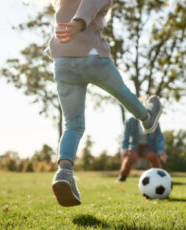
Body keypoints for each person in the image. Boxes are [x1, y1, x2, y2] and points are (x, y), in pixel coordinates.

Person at [47, 0, 162, 207]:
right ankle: (146, 118)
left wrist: (57, 49)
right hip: (93, 57)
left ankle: (63, 172)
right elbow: (89, 4)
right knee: (123, 93)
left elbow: (61, 25)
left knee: (72, 125)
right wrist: (80, 22)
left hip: (63, 62)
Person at [117, 117, 167, 182]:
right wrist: (124, 149)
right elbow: (126, 137)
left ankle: (160, 177)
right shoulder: (129, 121)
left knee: (153, 156)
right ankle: (122, 176)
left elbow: (159, 137)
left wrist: (161, 151)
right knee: (131, 156)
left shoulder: (154, 122)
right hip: (134, 146)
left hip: (147, 147)